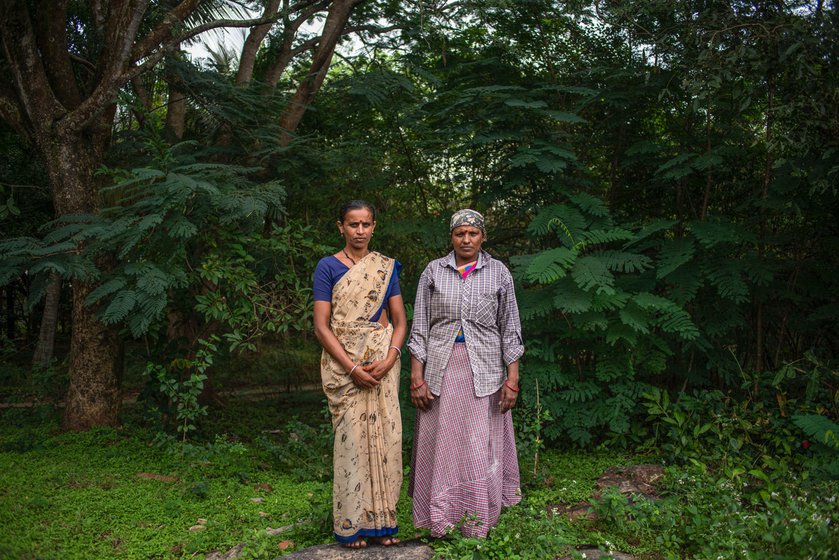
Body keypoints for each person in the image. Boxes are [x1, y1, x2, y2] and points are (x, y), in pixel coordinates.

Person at [407, 208, 523, 538]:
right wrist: (417, 376)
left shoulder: (498, 273)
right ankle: (440, 520)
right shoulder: (433, 271)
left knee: (476, 443)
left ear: (483, 237)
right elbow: (420, 328)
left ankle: (476, 520)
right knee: (441, 443)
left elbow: (510, 328)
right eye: (460, 234)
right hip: (441, 369)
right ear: (452, 238)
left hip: (485, 371)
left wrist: (512, 379)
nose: (466, 239)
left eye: (473, 233)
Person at [312, 200, 406, 549]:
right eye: (353, 224)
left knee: (387, 440)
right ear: (341, 227)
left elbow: (399, 321)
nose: (360, 231)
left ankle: (383, 523)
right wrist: (351, 368)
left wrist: (391, 357)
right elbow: (322, 326)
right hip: (344, 368)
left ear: (374, 227)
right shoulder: (327, 267)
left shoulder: (385, 268)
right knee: (351, 443)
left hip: (383, 366)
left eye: (366, 224)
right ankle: (352, 525)